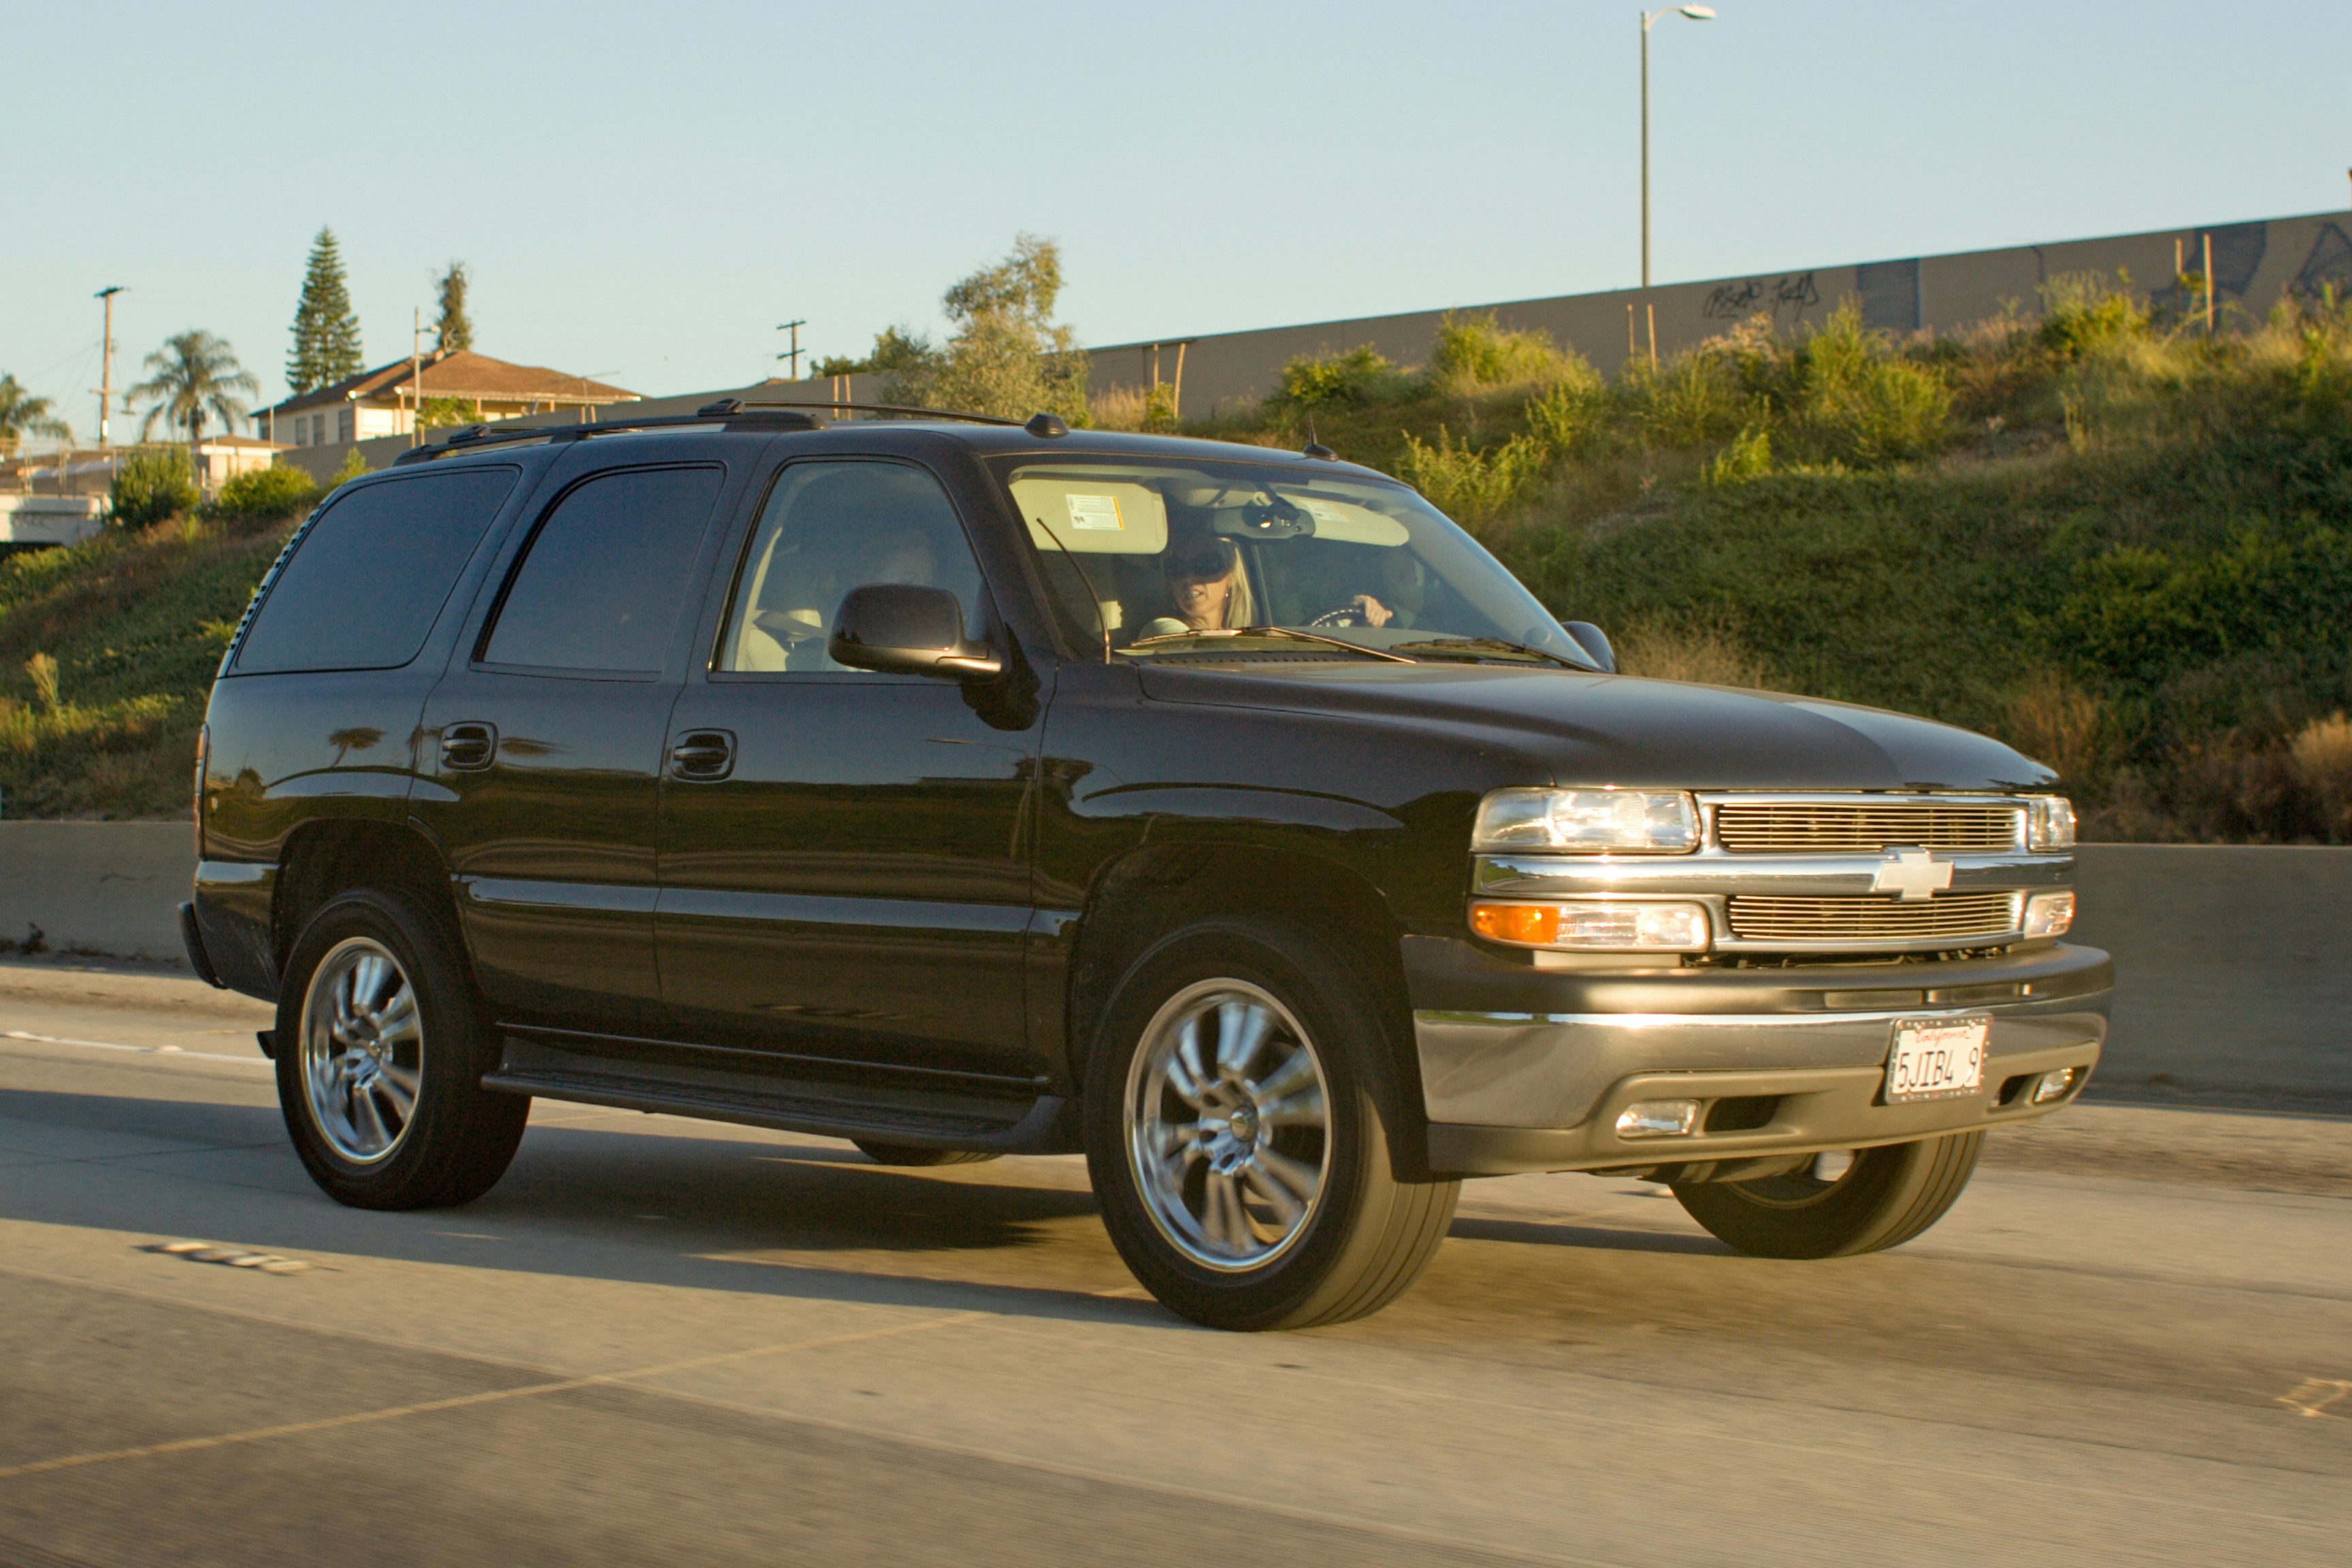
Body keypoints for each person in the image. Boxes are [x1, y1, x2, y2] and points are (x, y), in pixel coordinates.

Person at [1136, 521, 1255, 638]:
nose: (1188, 578)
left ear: (1231, 575)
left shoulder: (1247, 641)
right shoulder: (1161, 633)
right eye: (1176, 568)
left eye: (1205, 565)